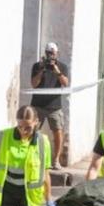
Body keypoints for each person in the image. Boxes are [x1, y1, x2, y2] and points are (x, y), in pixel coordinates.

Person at [31, 42, 70, 170]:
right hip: (38, 105)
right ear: (45, 53)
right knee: (32, 131)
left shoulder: (62, 67)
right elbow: (34, 84)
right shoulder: (37, 66)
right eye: (48, 53)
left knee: (58, 132)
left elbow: (65, 83)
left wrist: (57, 70)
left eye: (53, 53)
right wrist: (42, 70)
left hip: (54, 106)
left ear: (57, 54)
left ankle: (56, 160)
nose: (50, 56)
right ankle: (32, 157)